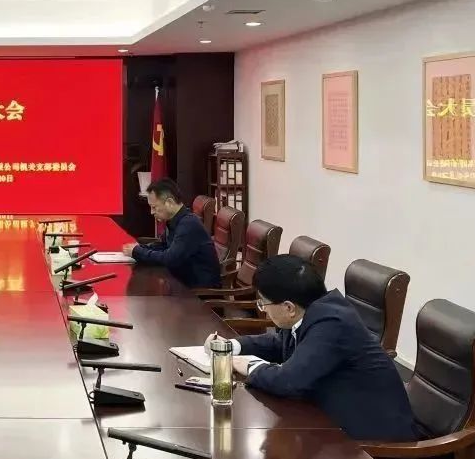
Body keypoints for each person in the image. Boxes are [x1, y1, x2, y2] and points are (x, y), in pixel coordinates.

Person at [204, 254, 417, 442]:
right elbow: (279, 344)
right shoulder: (310, 311)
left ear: (288, 307)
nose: (263, 310)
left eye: (263, 303)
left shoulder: (332, 323)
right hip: (330, 421)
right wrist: (231, 346)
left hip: (375, 444)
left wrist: (247, 365)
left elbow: (288, 381)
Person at [122, 178, 221, 289]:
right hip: (181, 283)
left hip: (199, 292)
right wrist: (139, 248)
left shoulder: (188, 225)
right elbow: (162, 245)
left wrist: (138, 251)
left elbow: (170, 259)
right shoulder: (175, 221)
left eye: (154, 207)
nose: (152, 212)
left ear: (169, 202)